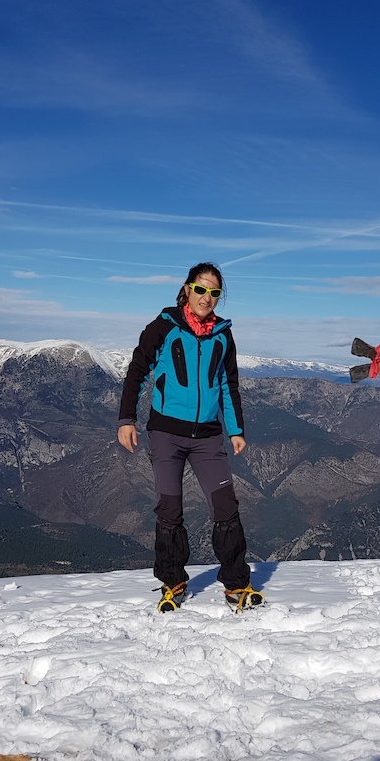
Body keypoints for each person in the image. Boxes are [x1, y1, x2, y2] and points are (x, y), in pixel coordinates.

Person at [117, 262, 263, 613]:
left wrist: (237, 429)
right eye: (201, 289)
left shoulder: (223, 335)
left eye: (215, 292)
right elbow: (137, 371)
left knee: (226, 508)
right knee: (170, 510)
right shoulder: (164, 327)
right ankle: (173, 581)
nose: (207, 297)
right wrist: (127, 419)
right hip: (166, 432)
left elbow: (229, 385)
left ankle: (237, 584)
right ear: (187, 289)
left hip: (209, 437)